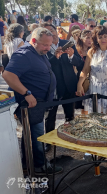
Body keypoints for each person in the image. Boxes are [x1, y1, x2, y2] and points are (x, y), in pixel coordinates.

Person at [3, 27, 62, 175]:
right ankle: (40, 167)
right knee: (36, 136)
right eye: (45, 45)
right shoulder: (24, 54)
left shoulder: (38, 52)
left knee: (30, 136)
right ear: (34, 41)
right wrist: (26, 93)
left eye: (49, 45)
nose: (48, 48)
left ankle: (27, 164)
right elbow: (8, 75)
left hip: (38, 103)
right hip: (30, 104)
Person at [43, 22, 84, 151]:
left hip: (69, 86)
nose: (50, 33)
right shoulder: (43, 48)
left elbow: (80, 64)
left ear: (56, 31)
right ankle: (49, 144)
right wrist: (55, 57)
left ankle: (70, 140)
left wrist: (72, 55)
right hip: (53, 88)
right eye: (46, 31)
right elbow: (44, 67)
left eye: (51, 30)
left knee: (70, 116)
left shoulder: (67, 43)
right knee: (50, 117)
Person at [77, 25, 107, 115]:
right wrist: (79, 84)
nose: (103, 39)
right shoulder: (91, 52)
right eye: (100, 37)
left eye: (105, 36)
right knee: (95, 120)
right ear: (96, 39)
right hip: (95, 89)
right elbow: (85, 70)